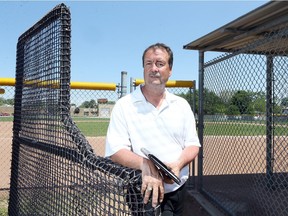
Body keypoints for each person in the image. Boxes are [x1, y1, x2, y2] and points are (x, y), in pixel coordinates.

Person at [105, 43, 200, 215]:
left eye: (160, 63)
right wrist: (146, 164)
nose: (153, 68)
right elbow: (116, 150)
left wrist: (178, 165)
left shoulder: (181, 104)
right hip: (144, 191)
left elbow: (193, 145)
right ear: (143, 69)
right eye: (148, 63)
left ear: (170, 70)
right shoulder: (124, 105)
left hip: (179, 189)